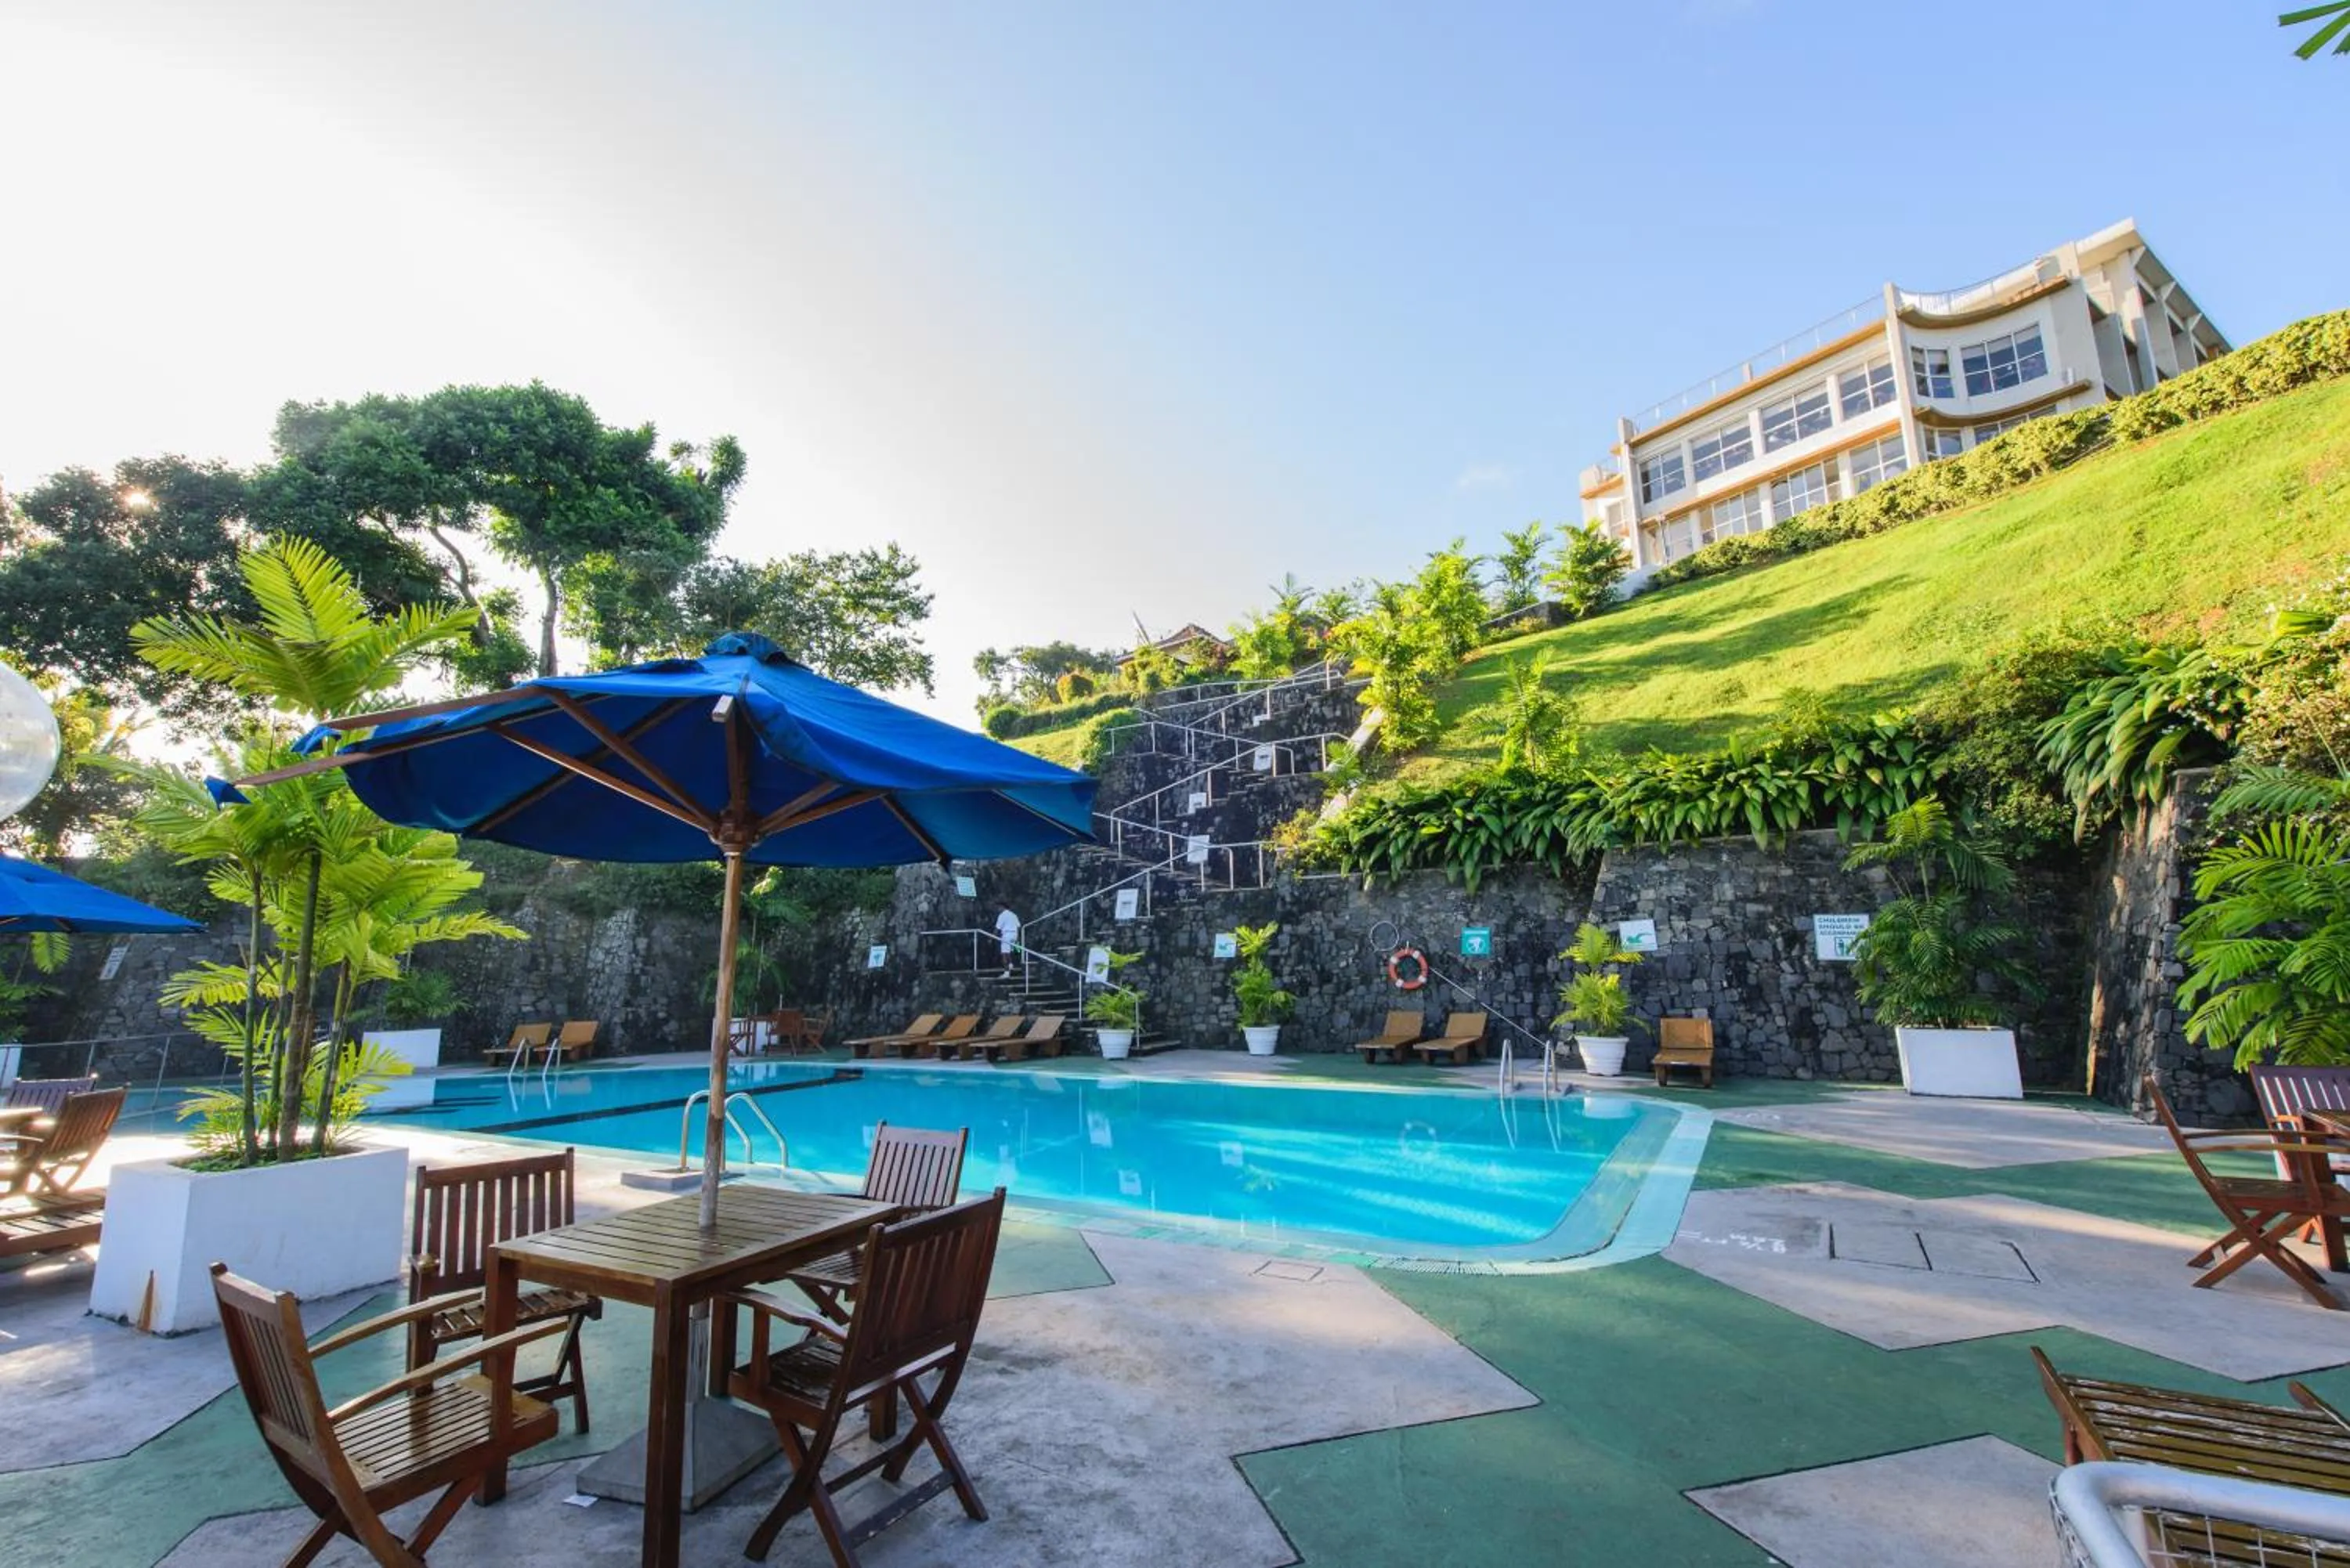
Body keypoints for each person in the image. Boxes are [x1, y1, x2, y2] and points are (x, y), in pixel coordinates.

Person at [994, 905, 1021, 975]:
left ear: (1002, 907)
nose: (998, 909)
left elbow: (997, 928)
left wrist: (992, 937)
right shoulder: (1014, 915)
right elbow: (1018, 926)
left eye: (998, 908)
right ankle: (1011, 964)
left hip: (1007, 935)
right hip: (1015, 934)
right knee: (1011, 951)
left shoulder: (1002, 915)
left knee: (1004, 953)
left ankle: (1006, 972)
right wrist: (1018, 936)